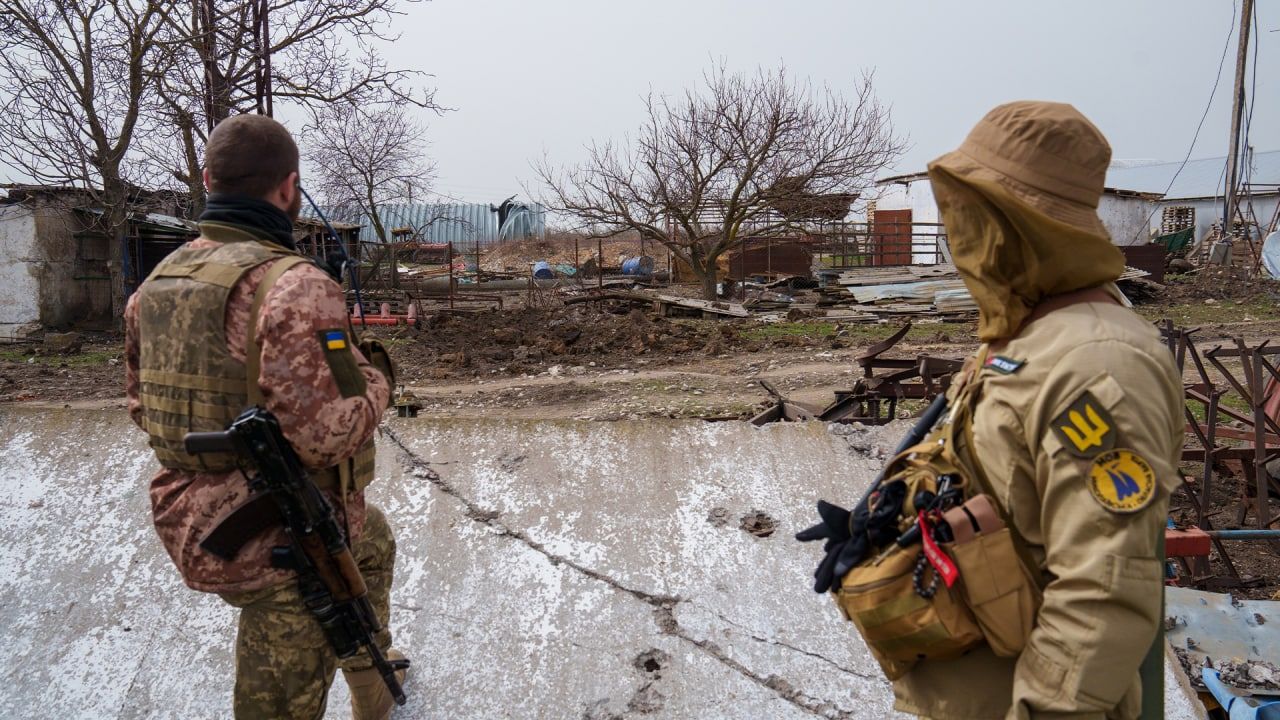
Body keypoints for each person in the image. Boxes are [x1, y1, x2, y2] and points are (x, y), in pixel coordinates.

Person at [800, 101, 1183, 720]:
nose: (960, 237)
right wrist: (891, 517)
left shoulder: (1099, 364)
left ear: (1023, 225)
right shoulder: (1027, 337)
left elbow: (1104, 589)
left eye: (975, 214)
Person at [125, 113, 405, 720]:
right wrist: (379, 384)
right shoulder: (296, 285)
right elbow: (325, 438)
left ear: (208, 180)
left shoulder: (154, 286)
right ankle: (357, 680)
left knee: (373, 539)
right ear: (289, 188)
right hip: (279, 536)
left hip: (186, 518)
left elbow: (143, 409)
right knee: (278, 698)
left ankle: (371, 678)